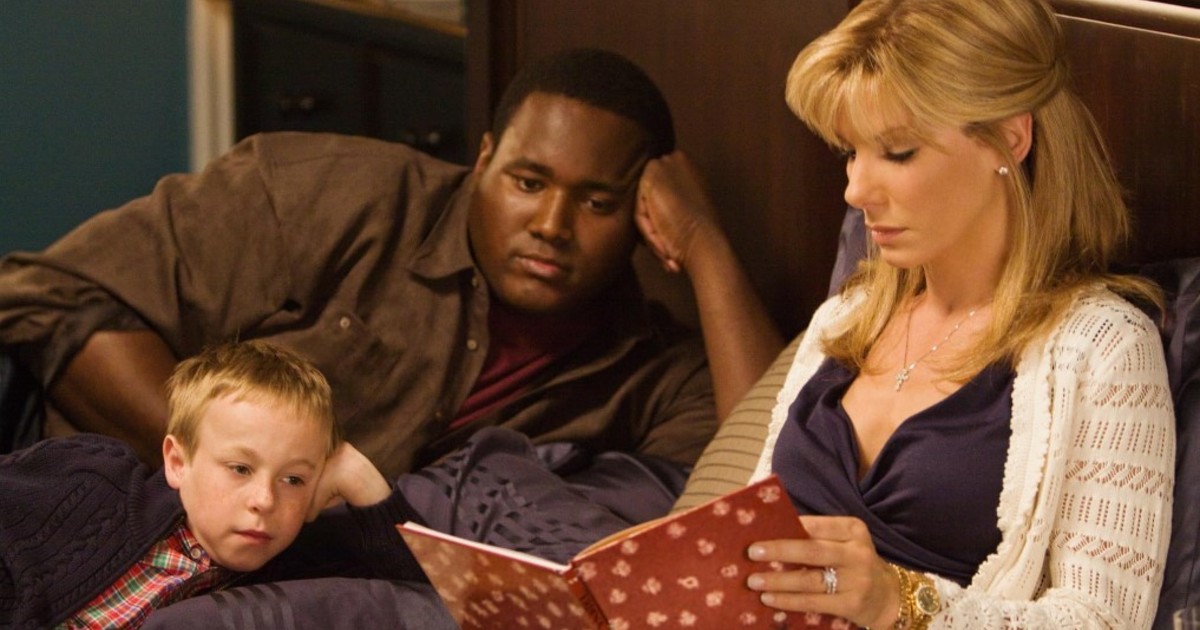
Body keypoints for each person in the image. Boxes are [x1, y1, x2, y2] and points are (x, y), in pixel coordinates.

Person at [0, 48, 774, 487]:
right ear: (483, 161)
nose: (551, 226)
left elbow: (771, 486)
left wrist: (708, 248)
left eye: (599, 202)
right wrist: (244, 477)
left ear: (643, 215)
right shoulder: (331, 193)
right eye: (527, 182)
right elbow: (47, 295)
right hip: (107, 498)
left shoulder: (652, 369)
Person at [662, 0, 1172, 627]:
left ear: (1010, 137)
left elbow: (1104, 619)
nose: (855, 189)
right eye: (851, 152)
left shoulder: (1106, 347)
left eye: (898, 152)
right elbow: (756, 545)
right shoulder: (842, 320)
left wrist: (899, 601)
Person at [0, 340, 430, 629]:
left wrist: (361, 479)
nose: (264, 500)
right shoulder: (93, 479)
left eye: (294, 479)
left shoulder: (301, 563)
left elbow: (432, 597)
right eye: (240, 469)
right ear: (178, 462)